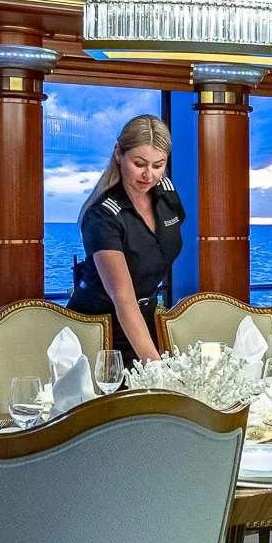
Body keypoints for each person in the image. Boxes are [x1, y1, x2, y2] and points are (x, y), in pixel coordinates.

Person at [67, 114, 185, 366]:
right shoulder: (102, 215)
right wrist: (156, 368)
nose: (149, 175)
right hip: (98, 329)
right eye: (139, 163)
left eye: (158, 165)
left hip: (146, 319)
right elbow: (123, 298)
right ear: (119, 154)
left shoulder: (167, 195)